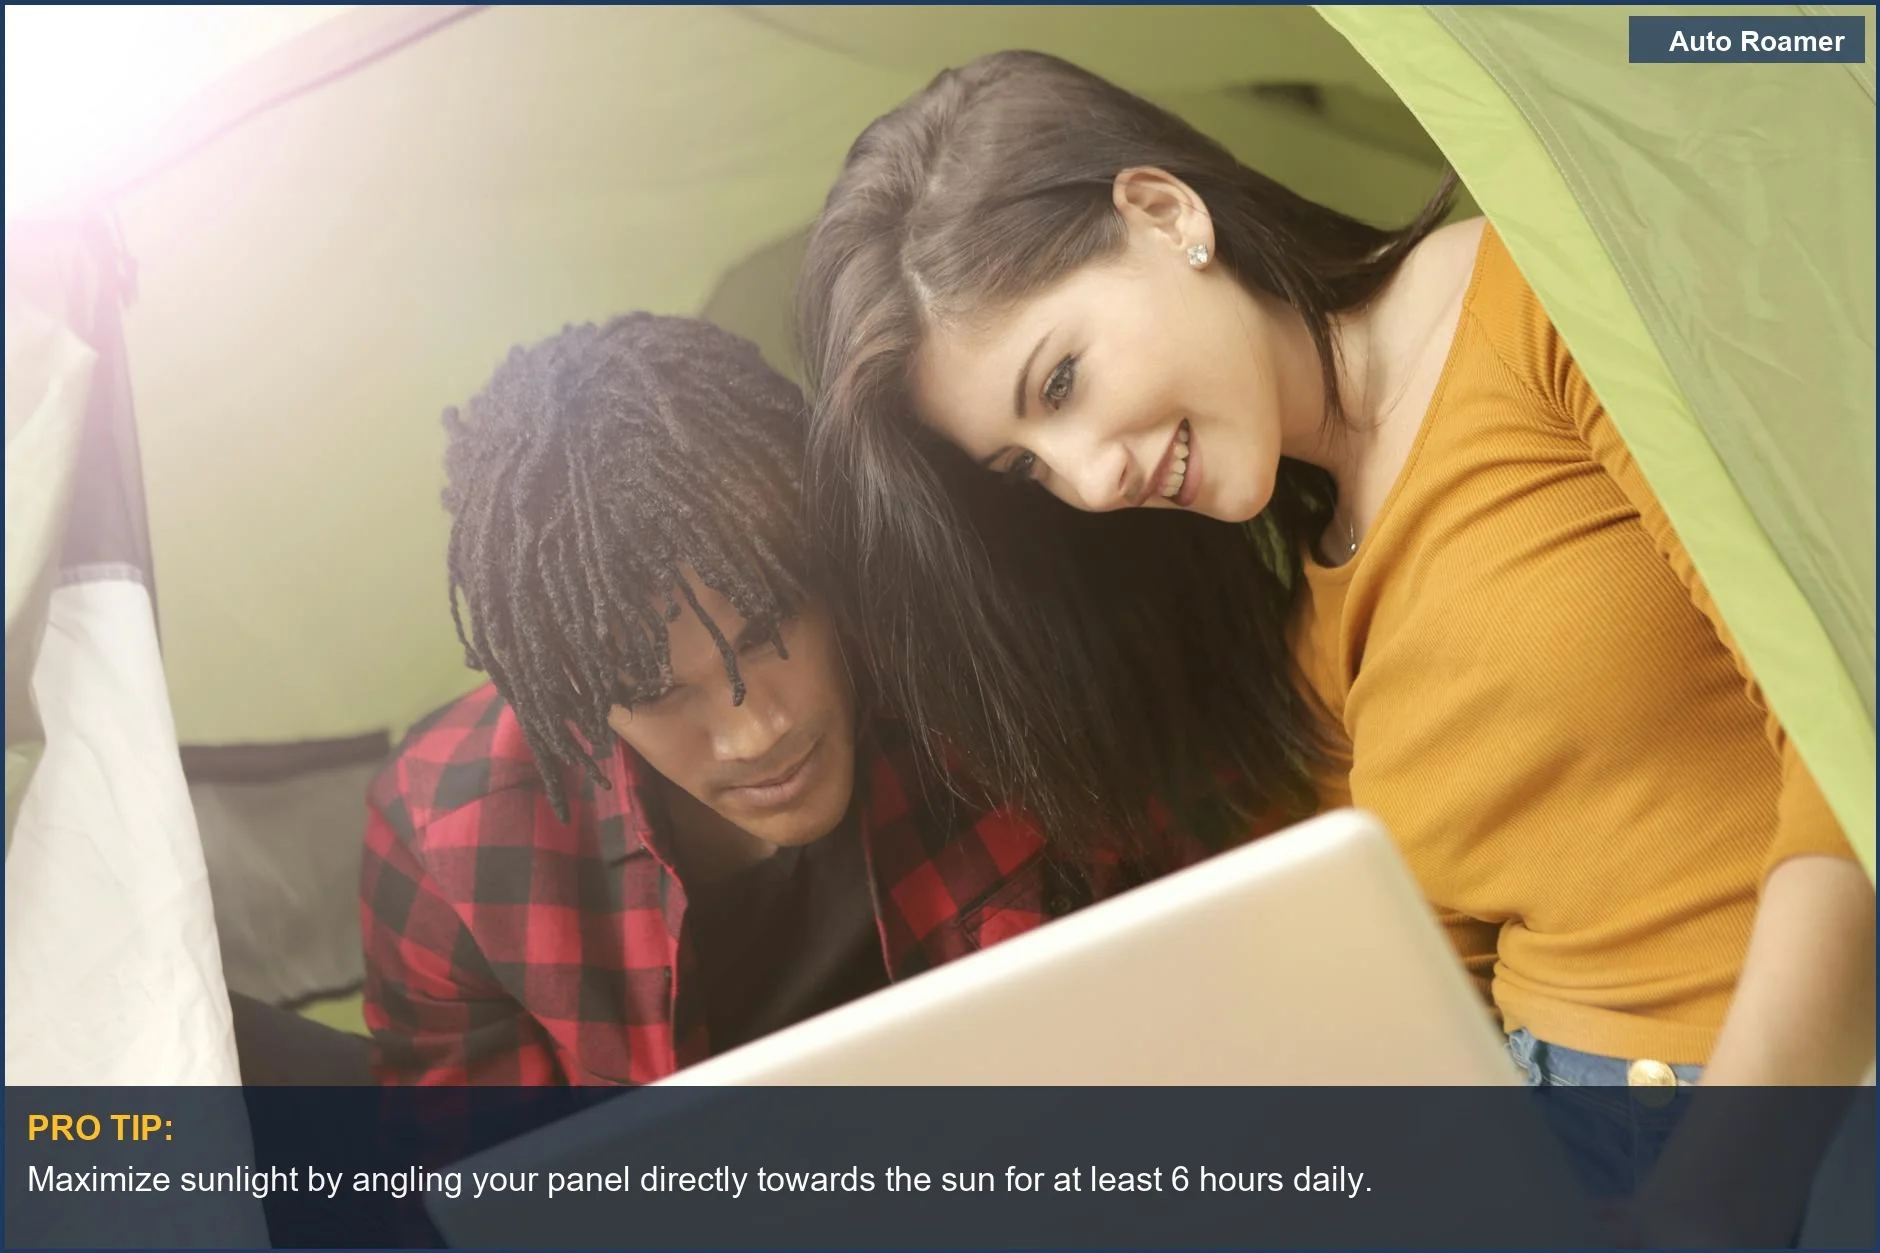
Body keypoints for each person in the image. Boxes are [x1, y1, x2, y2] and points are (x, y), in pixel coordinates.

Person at [793, 47, 1872, 1156]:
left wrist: (1725, 1185)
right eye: (1025, 466)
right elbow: (1412, 974)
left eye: (1060, 381)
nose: (1087, 480)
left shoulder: (1544, 303)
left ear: (1163, 213)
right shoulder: (1308, 597)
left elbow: (1848, 738)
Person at [359, 314, 1239, 1086]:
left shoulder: (995, 653)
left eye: (768, 631)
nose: (758, 730)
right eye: (662, 695)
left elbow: (1233, 931)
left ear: (821, 557)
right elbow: (472, 1193)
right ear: (576, 697)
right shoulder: (447, 837)